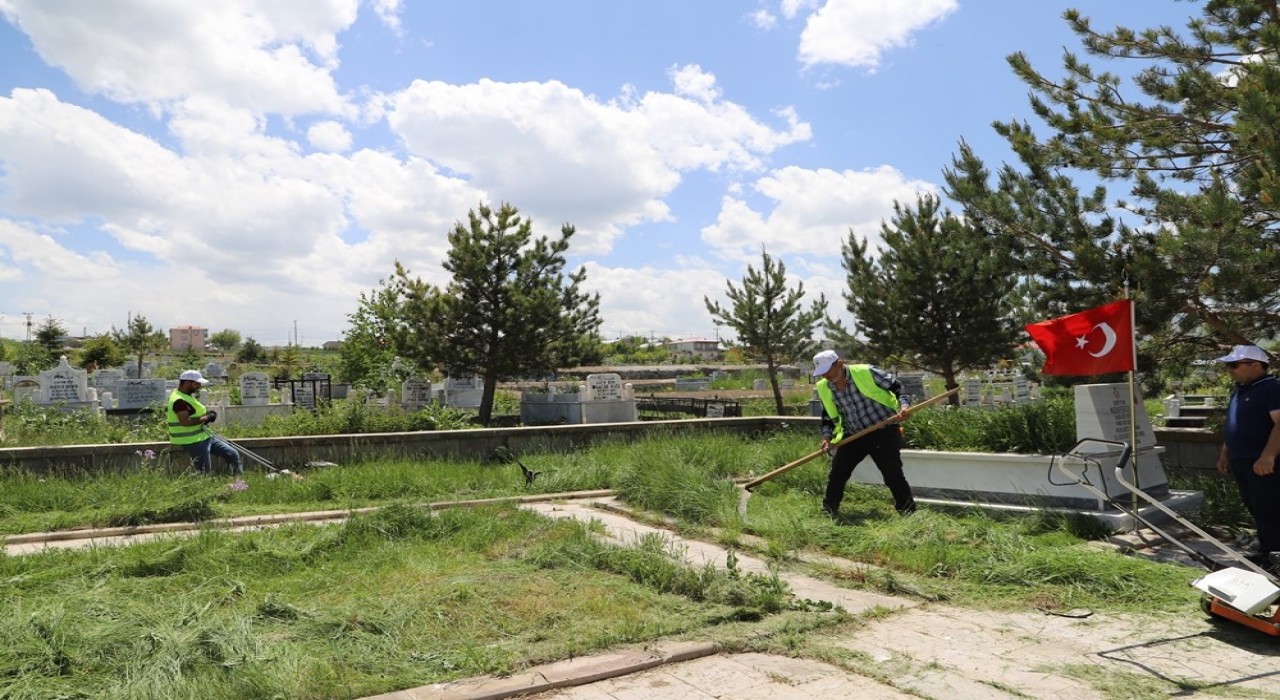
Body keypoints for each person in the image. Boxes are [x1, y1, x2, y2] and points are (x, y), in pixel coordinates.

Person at [812, 349, 916, 517]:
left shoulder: (867, 372)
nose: (825, 376)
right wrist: (826, 436)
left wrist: (904, 406)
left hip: (883, 430)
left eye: (827, 371)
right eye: (821, 373)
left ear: (840, 364)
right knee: (837, 474)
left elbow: (899, 388)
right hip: (853, 435)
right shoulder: (824, 387)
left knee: (892, 474)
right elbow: (827, 416)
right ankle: (829, 511)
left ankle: (907, 512)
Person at [1215, 344, 1280, 571]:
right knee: (1256, 507)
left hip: (1262, 462)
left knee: (1269, 509)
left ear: (1255, 365)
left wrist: (1268, 456)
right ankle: (1267, 551)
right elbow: (1234, 425)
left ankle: (1274, 558)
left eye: (1234, 365)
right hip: (1241, 460)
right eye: (1228, 366)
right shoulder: (1240, 390)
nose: (1230, 370)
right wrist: (1226, 453)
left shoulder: (1271, 388)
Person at [166, 369, 242, 476]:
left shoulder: (186, 396)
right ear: (187, 383)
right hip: (192, 440)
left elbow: (194, 414)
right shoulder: (179, 400)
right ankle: (201, 489)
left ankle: (238, 483)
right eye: (197, 383)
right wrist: (206, 418)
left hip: (204, 436)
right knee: (204, 471)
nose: (199, 386)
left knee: (232, 454)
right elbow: (185, 422)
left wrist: (207, 416)